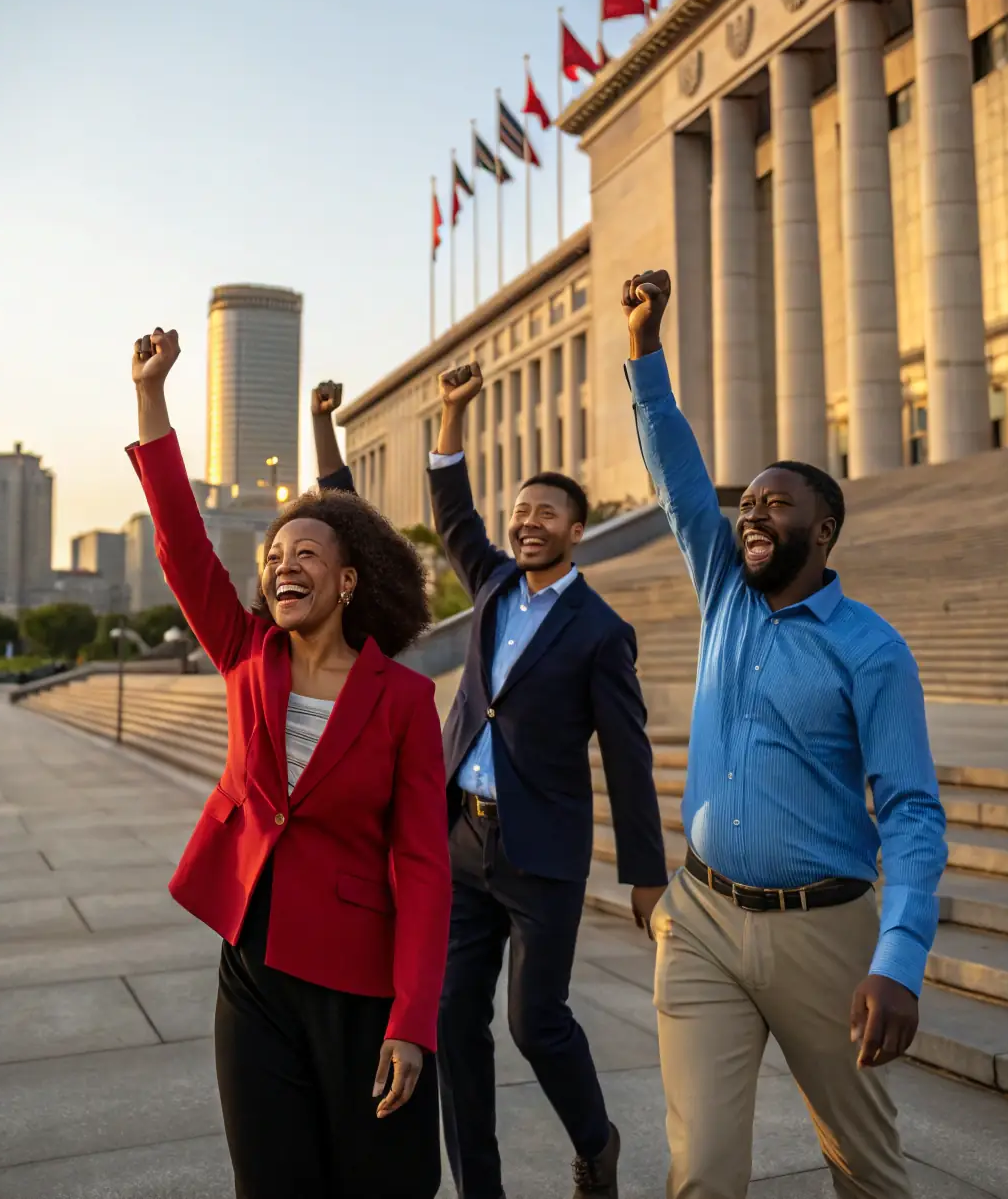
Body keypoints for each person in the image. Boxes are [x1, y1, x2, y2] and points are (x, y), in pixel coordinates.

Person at [619, 272, 948, 1199]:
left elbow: (915, 813)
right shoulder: (724, 592)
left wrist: (898, 957)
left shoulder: (871, 650)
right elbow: (679, 474)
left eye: (776, 504)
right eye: (749, 504)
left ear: (825, 529)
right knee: (704, 1172)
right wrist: (645, 346)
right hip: (703, 923)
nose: (752, 514)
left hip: (827, 931)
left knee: (869, 1173)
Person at [127, 329, 451, 1199]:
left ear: (350, 581)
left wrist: (413, 1019)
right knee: (270, 1180)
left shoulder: (405, 702)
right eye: (274, 556)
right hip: (254, 964)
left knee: (378, 1180)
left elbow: (423, 866)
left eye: (306, 552)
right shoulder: (246, 653)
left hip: (359, 980)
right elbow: (184, 546)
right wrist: (152, 399)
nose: (282, 564)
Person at [424, 361, 667, 1199]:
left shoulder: (602, 632)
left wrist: (644, 873)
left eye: (545, 513)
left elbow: (628, 757)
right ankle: (479, 1189)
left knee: (536, 1021)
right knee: (454, 1018)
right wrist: (454, 413)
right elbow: (453, 511)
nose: (527, 523)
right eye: (521, 511)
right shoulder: (492, 586)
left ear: (576, 528)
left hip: (542, 857)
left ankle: (596, 1142)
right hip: (461, 838)